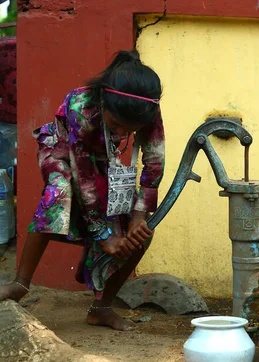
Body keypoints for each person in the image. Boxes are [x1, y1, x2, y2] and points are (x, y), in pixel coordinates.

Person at [0, 50, 165, 331]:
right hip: (63, 153)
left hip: (104, 161)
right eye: (116, 125)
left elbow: (154, 158)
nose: (123, 133)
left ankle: (101, 309)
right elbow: (84, 177)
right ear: (104, 101)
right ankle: (20, 283)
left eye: (131, 129)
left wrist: (139, 213)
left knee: (138, 234)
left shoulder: (146, 108)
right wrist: (102, 234)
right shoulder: (82, 106)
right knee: (58, 195)